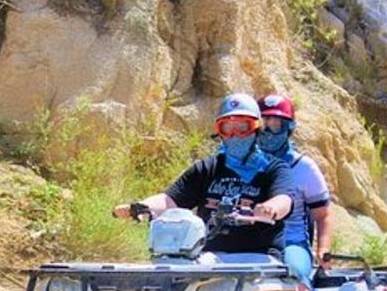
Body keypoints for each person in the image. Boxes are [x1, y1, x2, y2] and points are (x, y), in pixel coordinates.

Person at [112, 93, 294, 258]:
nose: (234, 135)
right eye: (227, 128)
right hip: (210, 256)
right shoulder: (207, 168)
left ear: (256, 129)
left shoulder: (274, 168)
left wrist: (270, 208)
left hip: (258, 258)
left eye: (242, 127)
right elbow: (171, 199)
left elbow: (284, 199)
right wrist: (142, 207)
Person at [256, 94, 333, 284]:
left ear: (289, 128)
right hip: (248, 241)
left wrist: (323, 249)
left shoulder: (303, 167)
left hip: (290, 242)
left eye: (276, 125)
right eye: (264, 123)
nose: (269, 131)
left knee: (294, 274)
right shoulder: (242, 164)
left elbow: (323, 214)